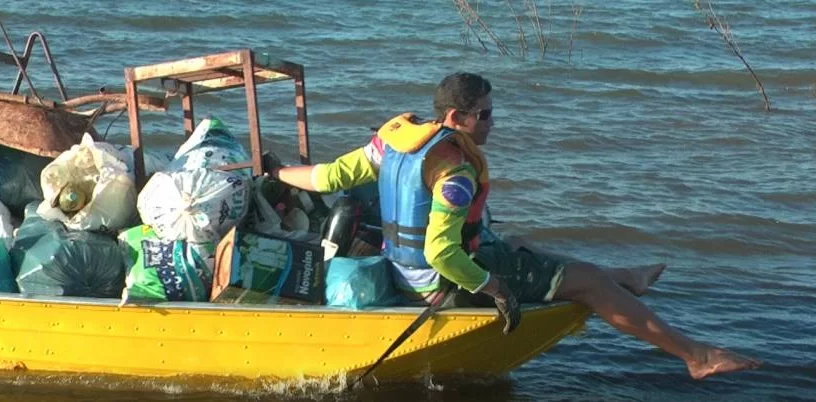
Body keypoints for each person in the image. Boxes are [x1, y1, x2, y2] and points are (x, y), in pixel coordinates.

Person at [269, 72, 761, 380]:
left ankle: (626, 278)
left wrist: (274, 174)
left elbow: (329, 176)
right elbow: (443, 253)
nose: (492, 123)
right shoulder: (454, 172)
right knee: (587, 283)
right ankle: (694, 355)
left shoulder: (393, 141)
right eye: (484, 115)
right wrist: (495, 286)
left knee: (522, 244)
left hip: (402, 268)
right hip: (440, 283)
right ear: (456, 116)